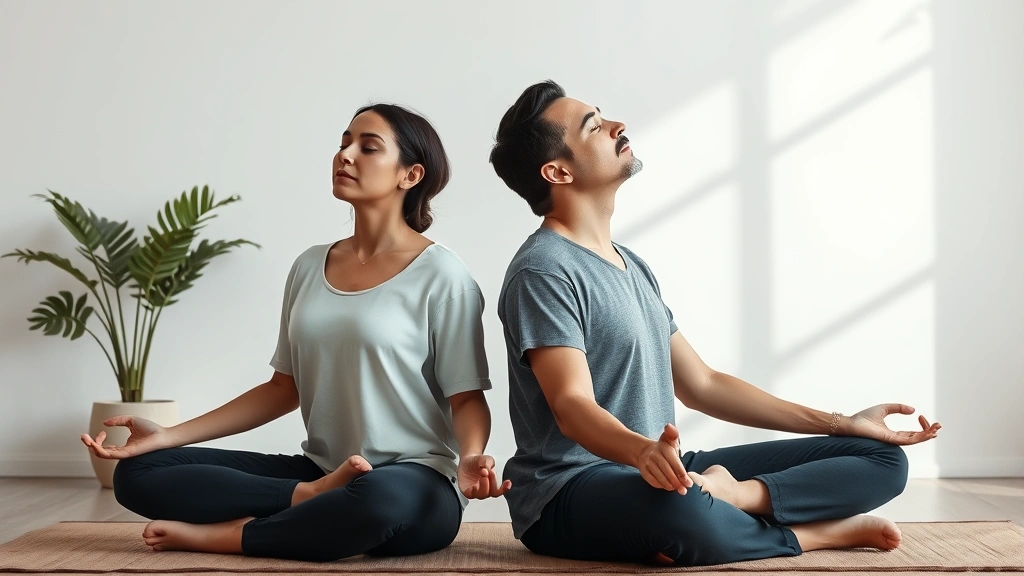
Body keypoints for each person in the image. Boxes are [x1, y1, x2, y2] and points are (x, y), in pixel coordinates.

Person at [488, 80, 940, 566]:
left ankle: (738, 501)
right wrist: (642, 453)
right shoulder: (544, 270)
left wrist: (841, 422)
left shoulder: (631, 265)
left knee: (881, 459)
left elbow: (701, 384)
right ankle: (813, 534)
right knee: (679, 512)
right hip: (568, 489)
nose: (618, 127)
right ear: (557, 171)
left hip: (663, 470)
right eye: (595, 127)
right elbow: (571, 405)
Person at [81, 103, 510, 562]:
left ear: (410, 175)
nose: (345, 155)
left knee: (379, 503)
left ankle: (227, 537)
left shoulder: (443, 274)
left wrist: (469, 456)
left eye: (368, 147)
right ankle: (304, 499)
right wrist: (168, 435)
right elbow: (283, 388)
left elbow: (465, 396)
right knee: (137, 472)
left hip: (414, 478)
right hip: (321, 471)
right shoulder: (309, 265)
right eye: (344, 142)